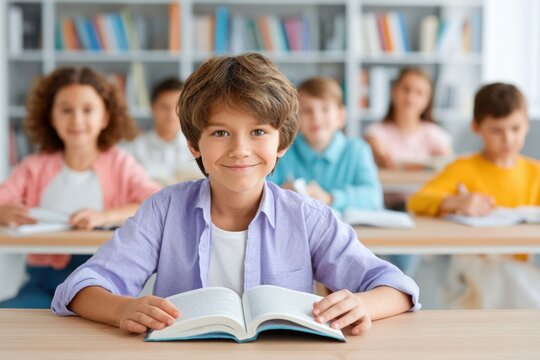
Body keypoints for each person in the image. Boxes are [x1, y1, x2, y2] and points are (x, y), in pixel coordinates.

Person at [52, 53, 419, 336]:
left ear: (282, 142)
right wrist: (120, 310)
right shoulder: (165, 210)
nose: (240, 149)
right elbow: (81, 287)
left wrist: (362, 304)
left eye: (258, 132)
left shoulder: (307, 216)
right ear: (195, 144)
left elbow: (398, 288)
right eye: (220, 133)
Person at [0, 67, 161, 308]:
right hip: (44, 282)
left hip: (102, 281)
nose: (76, 120)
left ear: (105, 117)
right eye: (66, 110)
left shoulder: (120, 163)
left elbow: (157, 202)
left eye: (87, 110)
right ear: (51, 117)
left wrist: (104, 217)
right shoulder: (34, 166)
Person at [408, 83, 540, 308]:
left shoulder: (534, 172)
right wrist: (456, 202)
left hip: (520, 269)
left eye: (515, 128)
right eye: (496, 130)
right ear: (476, 127)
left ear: (527, 125)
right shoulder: (462, 168)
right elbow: (417, 201)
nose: (508, 138)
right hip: (473, 269)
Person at [268, 77, 382, 212]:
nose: (316, 117)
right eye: (307, 110)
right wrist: (282, 192)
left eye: (325, 109)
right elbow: (264, 191)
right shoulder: (283, 151)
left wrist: (330, 198)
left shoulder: (357, 150)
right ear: (295, 119)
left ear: (340, 117)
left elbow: (373, 197)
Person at [364, 67, 452, 171]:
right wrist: (426, 165)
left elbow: (448, 165)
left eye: (419, 93)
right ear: (394, 91)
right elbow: (388, 164)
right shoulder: (375, 133)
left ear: (427, 100)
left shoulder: (436, 135)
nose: (410, 98)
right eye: (406, 89)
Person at [121, 77, 200, 184]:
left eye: (178, 107)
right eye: (164, 107)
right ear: (152, 108)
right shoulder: (134, 148)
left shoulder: (199, 147)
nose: (171, 114)